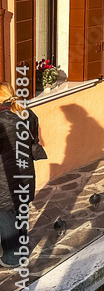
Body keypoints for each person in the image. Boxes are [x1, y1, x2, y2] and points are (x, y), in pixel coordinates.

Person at [0, 81, 39, 268]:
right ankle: (22, 251)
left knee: (6, 215)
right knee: (21, 211)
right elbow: (34, 140)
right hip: (25, 175)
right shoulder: (27, 115)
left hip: (5, 179)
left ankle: (12, 258)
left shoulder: (2, 120)